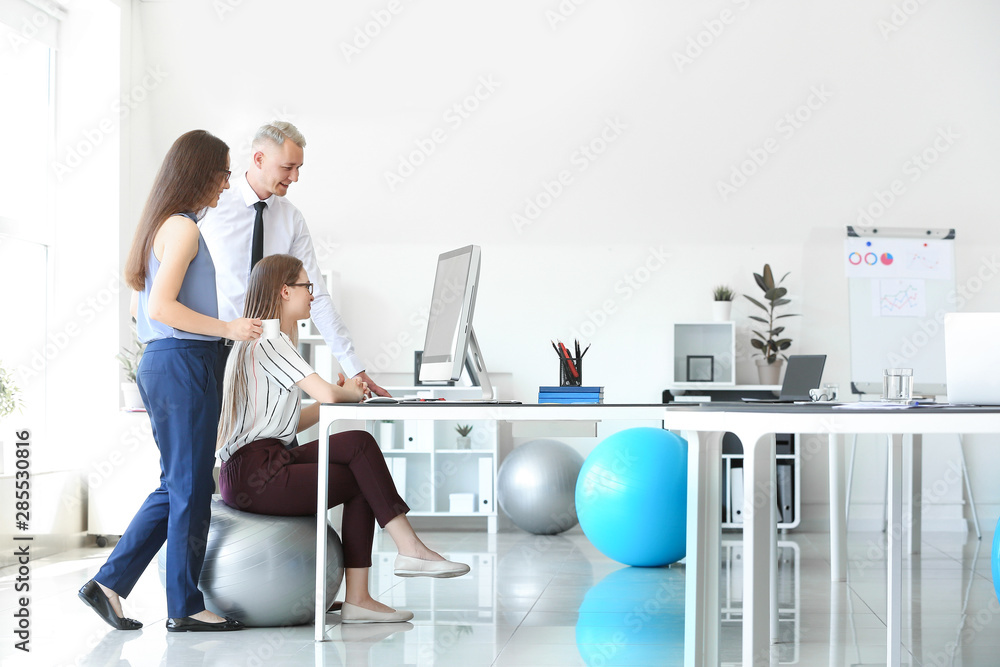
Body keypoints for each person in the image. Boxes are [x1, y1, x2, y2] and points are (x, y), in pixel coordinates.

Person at [216, 254, 470, 624]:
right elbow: (328, 395)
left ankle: (375, 585)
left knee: (358, 452)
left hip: (258, 463)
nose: (312, 295)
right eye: (307, 286)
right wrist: (345, 392)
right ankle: (402, 555)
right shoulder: (271, 341)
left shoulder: (258, 343)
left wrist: (341, 396)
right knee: (362, 458)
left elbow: (289, 423)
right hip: (257, 472)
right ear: (285, 291)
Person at [78, 130, 263, 633]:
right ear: (200, 173)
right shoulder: (182, 228)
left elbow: (145, 310)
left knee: (181, 482)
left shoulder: (161, 226)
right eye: (223, 173)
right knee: (189, 486)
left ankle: (108, 584)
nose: (227, 184)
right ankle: (184, 605)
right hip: (184, 361)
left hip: (167, 361)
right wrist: (227, 328)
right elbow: (162, 307)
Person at [198, 120, 389, 397]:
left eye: (299, 168)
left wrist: (353, 368)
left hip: (269, 355)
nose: (295, 177)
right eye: (288, 167)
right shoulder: (213, 206)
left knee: (276, 426)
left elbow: (316, 294)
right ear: (259, 159)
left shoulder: (291, 219)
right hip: (214, 351)